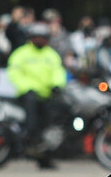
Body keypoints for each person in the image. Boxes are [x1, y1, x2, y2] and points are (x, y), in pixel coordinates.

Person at [6, 22, 67, 169]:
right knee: (33, 119)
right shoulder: (21, 54)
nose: (39, 40)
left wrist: (57, 85)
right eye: (36, 37)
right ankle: (30, 138)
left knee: (52, 122)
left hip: (46, 96)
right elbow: (14, 73)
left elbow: (58, 72)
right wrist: (27, 87)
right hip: (27, 95)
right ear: (30, 38)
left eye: (43, 37)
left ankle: (44, 155)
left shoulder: (51, 55)